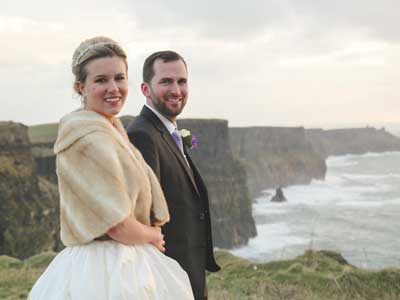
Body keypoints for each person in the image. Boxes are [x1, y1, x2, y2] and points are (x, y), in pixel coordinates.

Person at [28, 37, 194, 300]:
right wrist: (151, 234)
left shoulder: (109, 131)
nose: (113, 88)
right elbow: (116, 225)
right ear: (80, 86)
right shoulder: (86, 139)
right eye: (101, 80)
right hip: (104, 269)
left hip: (125, 259)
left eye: (119, 77)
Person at [126, 51, 220, 300]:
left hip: (187, 273)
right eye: (166, 82)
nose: (176, 90)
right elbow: (143, 216)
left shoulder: (168, 132)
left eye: (182, 81)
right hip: (166, 279)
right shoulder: (142, 136)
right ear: (146, 89)